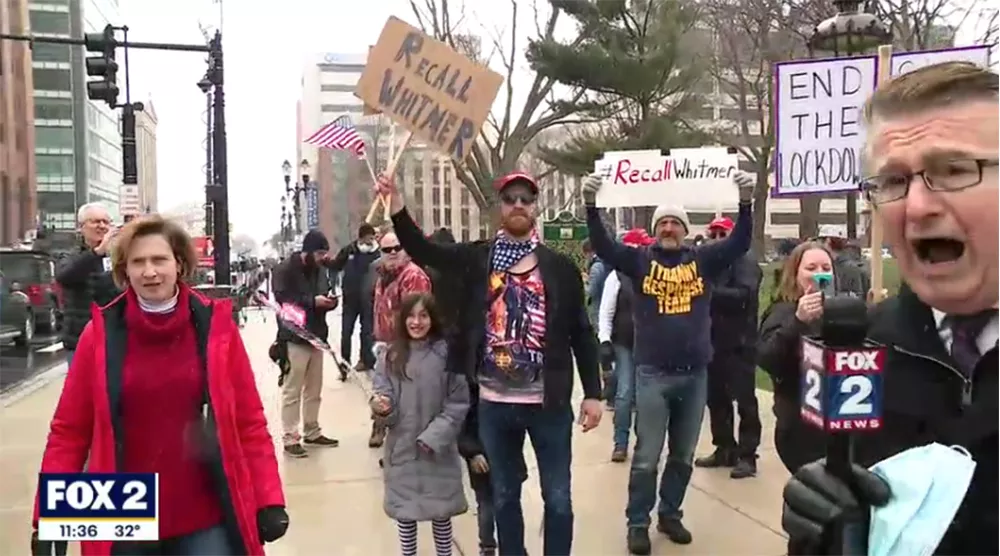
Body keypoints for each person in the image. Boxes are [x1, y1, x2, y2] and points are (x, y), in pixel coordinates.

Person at [780, 61, 998, 555]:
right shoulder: (857, 351)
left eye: (954, 170)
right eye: (894, 181)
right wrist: (821, 529)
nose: (916, 207)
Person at [375, 170, 603, 556]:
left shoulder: (560, 269)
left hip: (549, 404)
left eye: (525, 199)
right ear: (501, 206)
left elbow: (581, 332)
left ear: (535, 207)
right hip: (495, 405)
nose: (518, 205)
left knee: (558, 499)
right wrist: (396, 204)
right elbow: (426, 251)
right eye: (510, 198)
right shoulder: (477, 259)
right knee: (504, 497)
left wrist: (593, 393)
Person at [30, 215, 288, 556]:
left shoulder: (215, 328)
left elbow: (249, 422)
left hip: (203, 508)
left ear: (178, 264)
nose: (149, 272)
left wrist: (268, 498)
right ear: (124, 270)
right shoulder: (100, 334)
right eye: (138, 262)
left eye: (159, 259)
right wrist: (50, 518)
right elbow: (69, 432)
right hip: (121, 505)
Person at [581, 171, 755, 554]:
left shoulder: (703, 260)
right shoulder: (639, 260)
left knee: (682, 455)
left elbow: (740, 242)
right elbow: (605, 246)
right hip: (652, 375)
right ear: (655, 230)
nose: (669, 228)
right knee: (646, 456)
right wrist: (591, 207)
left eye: (676, 222)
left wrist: (745, 202)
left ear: (685, 230)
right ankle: (637, 523)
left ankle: (670, 514)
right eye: (663, 223)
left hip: (694, 375)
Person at [370, 292, 470, 556]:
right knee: (406, 515)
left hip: (439, 452)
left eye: (423, 316)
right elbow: (384, 395)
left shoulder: (447, 356)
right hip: (402, 450)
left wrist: (434, 437)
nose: (417, 322)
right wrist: (383, 408)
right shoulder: (389, 357)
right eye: (411, 316)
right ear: (403, 319)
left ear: (432, 319)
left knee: (441, 514)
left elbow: (458, 403)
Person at [756, 241, 836, 474]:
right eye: (811, 268)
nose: (820, 274)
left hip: (834, 422)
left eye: (826, 268)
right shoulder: (782, 311)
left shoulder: (837, 309)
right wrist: (798, 322)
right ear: (795, 273)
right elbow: (767, 358)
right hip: (799, 426)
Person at [694, 216, 764, 479]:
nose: (717, 239)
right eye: (713, 234)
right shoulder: (710, 264)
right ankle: (724, 447)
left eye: (722, 234)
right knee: (716, 399)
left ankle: (748, 454)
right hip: (712, 342)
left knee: (745, 400)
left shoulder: (744, 261)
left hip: (740, 343)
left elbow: (744, 296)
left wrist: (708, 292)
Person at [272, 229, 341, 458]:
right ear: (308, 251)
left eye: (324, 254)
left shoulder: (320, 270)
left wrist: (330, 302)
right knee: (292, 390)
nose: (322, 258)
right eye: (319, 253)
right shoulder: (284, 270)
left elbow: (325, 292)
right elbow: (283, 301)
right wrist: (313, 302)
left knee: (314, 389)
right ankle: (290, 437)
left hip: (316, 336)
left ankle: (312, 430)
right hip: (294, 337)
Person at [368, 231, 433, 449]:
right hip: (385, 347)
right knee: (385, 397)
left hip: (406, 350)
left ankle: (409, 446)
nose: (393, 252)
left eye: (398, 247)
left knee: (408, 403)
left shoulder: (413, 276)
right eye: (387, 249)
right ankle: (385, 432)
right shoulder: (383, 276)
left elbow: (418, 320)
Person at [597, 228, 654, 462]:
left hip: (650, 345)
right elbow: (606, 311)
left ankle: (644, 443)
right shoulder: (616, 277)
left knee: (646, 398)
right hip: (624, 343)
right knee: (624, 394)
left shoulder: (654, 274)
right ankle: (620, 442)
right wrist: (604, 340)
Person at [54, 203, 122, 365]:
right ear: (81, 227)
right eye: (96, 222)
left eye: (106, 222)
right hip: (80, 339)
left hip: (113, 337)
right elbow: (65, 276)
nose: (102, 226)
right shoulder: (69, 255)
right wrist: (96, 253)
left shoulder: (118, 256)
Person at [328, 223, 380, 373]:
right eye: (369, 238)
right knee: (346, 332)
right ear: (361, 238)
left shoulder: (377, 253)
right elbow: (336, 265)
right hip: (350, 299)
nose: (371, 241)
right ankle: (345, 363)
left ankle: (365, 361)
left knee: (367, 332)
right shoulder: (349, 250)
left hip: (368, 299)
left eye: (372, 238)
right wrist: (326, 262)